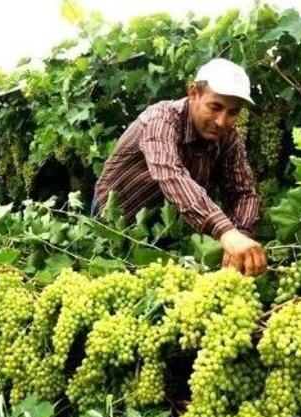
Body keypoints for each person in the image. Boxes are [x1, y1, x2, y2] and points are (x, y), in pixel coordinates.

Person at [92, 58, 267, 277]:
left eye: (233, 112)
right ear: (193, 93)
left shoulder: (229, 139)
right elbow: (170, 174)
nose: (222, 121)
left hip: (166, 228)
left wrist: (240, 235)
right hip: (116, 219)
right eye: (215, 107)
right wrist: (225, 231)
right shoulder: (160, 119)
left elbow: (243, 193)